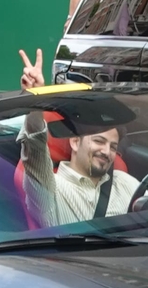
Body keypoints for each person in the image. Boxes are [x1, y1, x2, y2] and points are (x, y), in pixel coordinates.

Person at [15, 48, 137, 222]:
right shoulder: (50, 189)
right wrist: (36, 101)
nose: (106, 151)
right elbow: (35, 150)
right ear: (74, 141)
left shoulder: (125, 182)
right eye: (99, 141)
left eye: (113, 146)